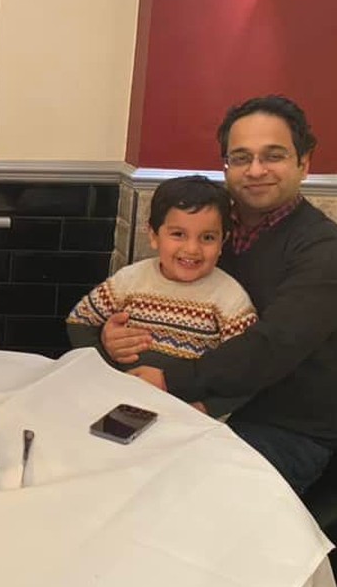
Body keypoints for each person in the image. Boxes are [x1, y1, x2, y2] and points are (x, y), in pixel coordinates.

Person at [102, 96, 337, 495]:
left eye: (273, 155)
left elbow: (269, 347)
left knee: (169, 493)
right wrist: (113, 333)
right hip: (192, 401)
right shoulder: (212, 233)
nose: (255, 170)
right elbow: (160, 294)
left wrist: (170, 380)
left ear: (304, 162)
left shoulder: (327, 252)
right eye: (241, 158)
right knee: (99, 457)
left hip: (279, 428)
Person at [66, 176, 257, 417]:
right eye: (178, 234)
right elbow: (79, 321)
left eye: (208, 237)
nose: (192, 249)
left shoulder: (230, 300)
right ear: (154, 235)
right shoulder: (130, 280)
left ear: (223, 241)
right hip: (121, 402)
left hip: (188, 417)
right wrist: (106, 366)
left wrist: (203, 409)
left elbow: (247, 370)